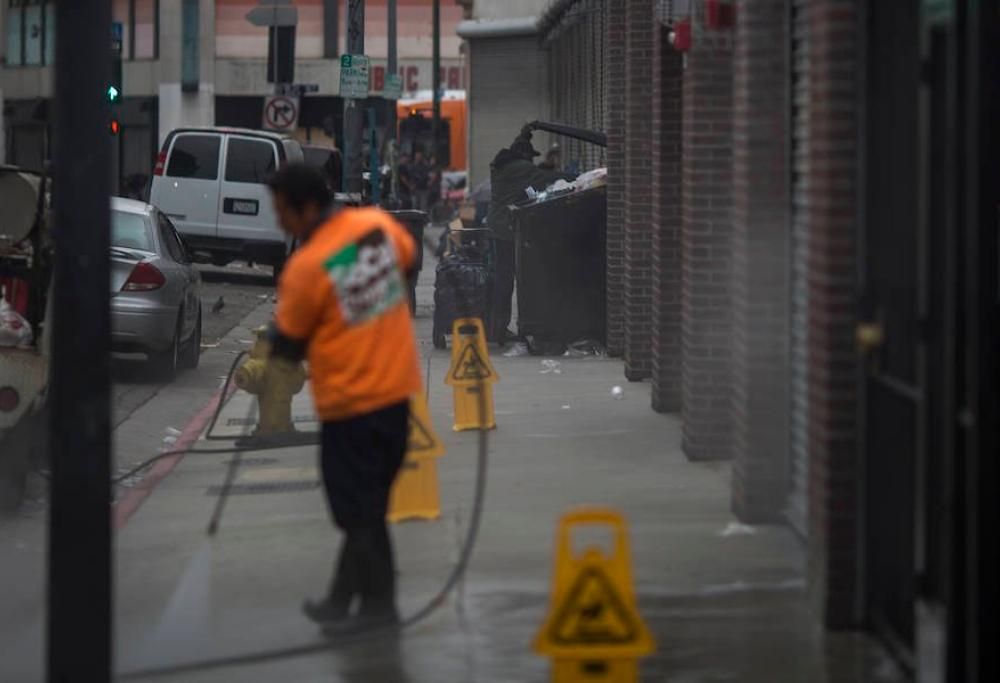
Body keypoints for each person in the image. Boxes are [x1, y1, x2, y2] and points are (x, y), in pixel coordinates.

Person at [265, 164, 422, 630]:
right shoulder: (375, 228)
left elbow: (288, 347)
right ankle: (340, 603)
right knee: (368, 510)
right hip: (396, 400)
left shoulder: (306, 267)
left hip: (349, 409)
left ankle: (380, 611)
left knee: (357, 513)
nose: (279, 222)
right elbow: (410, 263)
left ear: (306, 207)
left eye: (281, 212)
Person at [486, 130, 575, 343]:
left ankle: (497, 328)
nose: (532, 160)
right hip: (506, 229)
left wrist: (526, 131)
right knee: (510, 279)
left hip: (496, 226)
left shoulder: (502, 165)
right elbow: (545, 177)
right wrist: (578, 177)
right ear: (524, 155)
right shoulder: (520, 167)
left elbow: (527, 188)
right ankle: (502, 329)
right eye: (531, 156)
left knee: (502, 279)